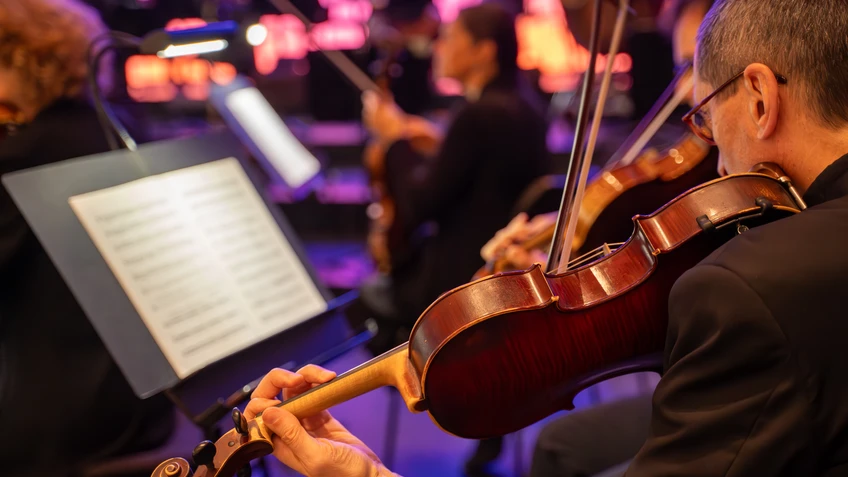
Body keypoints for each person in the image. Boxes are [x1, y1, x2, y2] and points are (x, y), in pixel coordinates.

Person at [245, 0, 848, 476]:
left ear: (762, 98)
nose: (714, 163)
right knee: (565, 446)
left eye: (706, 117)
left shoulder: (752, 290)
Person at [0, 1, 172, 476]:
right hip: (143, 403)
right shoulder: (118, 129)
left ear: (19, 62)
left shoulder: (25, 153)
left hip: (55, 419)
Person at [349, 3, 550, 356]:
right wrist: (438, 143)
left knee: (361, 299)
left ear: (483, 51)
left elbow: (417, 205)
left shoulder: (475, 116)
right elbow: (482, 174)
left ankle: (426, 378)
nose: (438, 46)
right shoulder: (525, 106)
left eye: (450, 38)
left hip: (457, 282)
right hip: (499, 269)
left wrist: (395, 138)